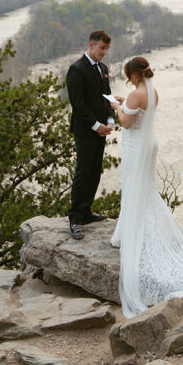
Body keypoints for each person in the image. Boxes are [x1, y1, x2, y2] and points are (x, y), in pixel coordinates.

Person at [109, 56, 183, 318]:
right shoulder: (152, 91)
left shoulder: (135, 94)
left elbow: (126, 122)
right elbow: (139, 113)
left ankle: (132, 233)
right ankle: (130, 228)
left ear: (132, 74)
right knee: (145, 190)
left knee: (135, 189)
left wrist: (116, 107)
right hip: (149, 145)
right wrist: (125, 104)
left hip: (136, 146)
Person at [66, 29, 115, 240]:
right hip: (86, 130)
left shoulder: (103, 68)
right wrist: (96, 125)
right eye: (102, 48)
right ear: (91, 44)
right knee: (84, 170)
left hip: (102, 129)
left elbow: (107, 97)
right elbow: (78, 105)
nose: (104, 52)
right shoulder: (76, 69)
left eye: (106, 49)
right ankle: (75, 218)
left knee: (96, 170)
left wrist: (110, 120)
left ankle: (86, 211)